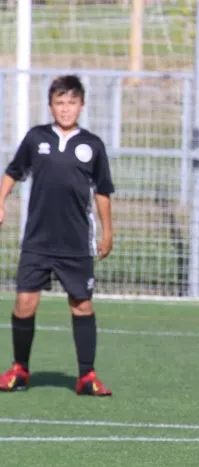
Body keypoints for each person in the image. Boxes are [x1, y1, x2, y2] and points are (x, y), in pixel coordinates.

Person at [0, 74, 115, 396]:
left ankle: (87, 376)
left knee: (82, 305)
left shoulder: (92, 145)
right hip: (38, 240)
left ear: (82, 105)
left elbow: (102, 191)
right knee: (25, 303)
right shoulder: (36, 138)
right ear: (50, 106)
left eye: (71, 103)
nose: (65, 109)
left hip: (76, 242)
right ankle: (20, 370)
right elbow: (13, 171)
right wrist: (1, 200)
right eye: (59, 103)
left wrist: (108, 233)